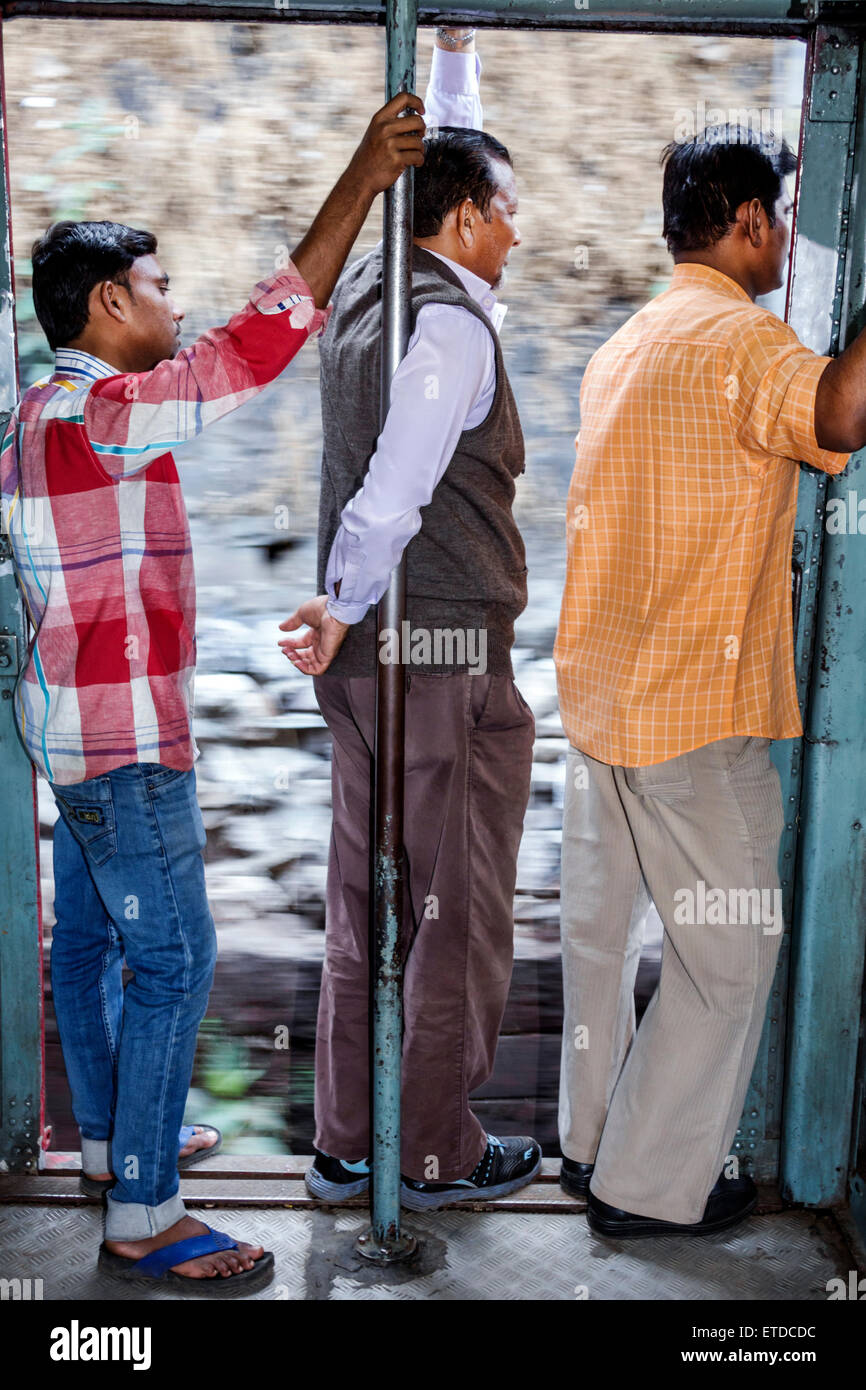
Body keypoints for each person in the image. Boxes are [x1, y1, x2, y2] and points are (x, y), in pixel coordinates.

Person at [0, 93, 425, 1291]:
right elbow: (253, 345)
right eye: (160, 283)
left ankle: (104, 1147)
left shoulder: (32, 415)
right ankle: (141, 1213)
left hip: (71, 744)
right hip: (128, 750)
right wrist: (359, 177)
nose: (175, 304)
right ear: (108, 305)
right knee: (178, 960)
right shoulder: (105, 413)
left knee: (84, 945)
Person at [555, 124, 861, 1238]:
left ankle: (592, 1140)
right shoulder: (740, 337)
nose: (783, 236)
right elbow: (838, 413)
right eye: (777, 215)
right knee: (731, 957)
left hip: (603, 698)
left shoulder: (626, 340)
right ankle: (637, 1188)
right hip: (689, 711)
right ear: (745, 224)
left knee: (599, 939)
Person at [279, 30, 541, 1209]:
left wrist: (451, 58)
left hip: (373, 661)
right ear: (470, 217)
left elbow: (431, 163)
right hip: (432, 655)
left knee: (363, 897)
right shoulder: (448, 329)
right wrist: (339, 604)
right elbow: (393, 492)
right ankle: (431, 1150)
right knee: (453, 909)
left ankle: (343, 1142)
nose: (519, 232)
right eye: (508, 208)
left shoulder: (378, 279)